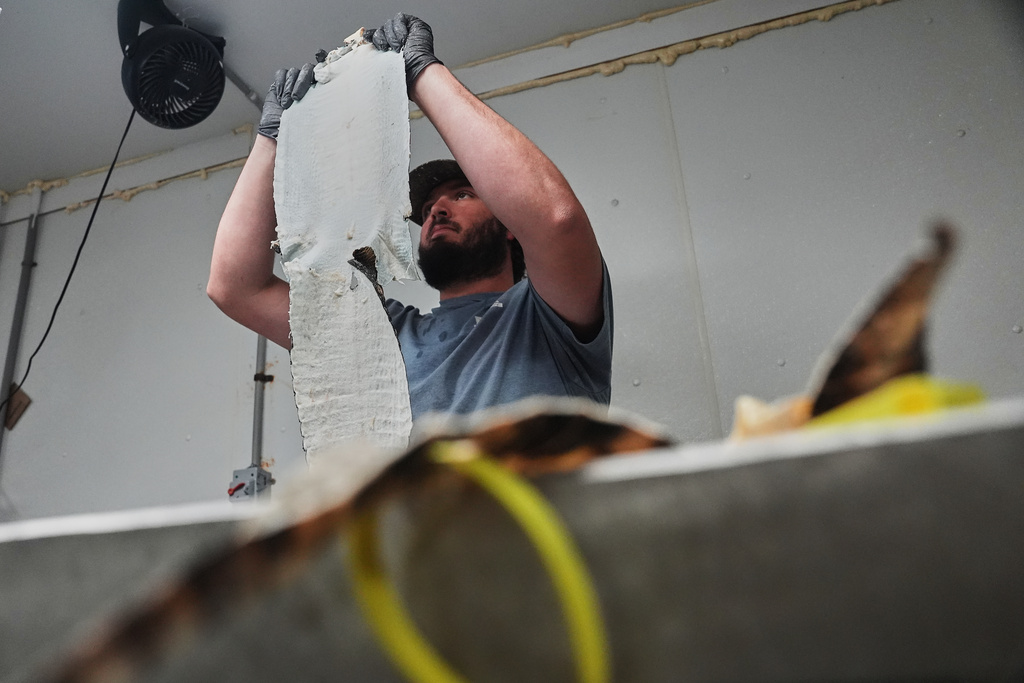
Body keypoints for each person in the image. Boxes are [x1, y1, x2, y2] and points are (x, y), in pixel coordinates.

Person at [208, 13, 612, 420]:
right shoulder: (386, 337)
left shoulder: (547, 316)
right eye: (427, 208)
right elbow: (237, 289)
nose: (436, 209)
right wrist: (275, 136)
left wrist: (420, 72)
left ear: (511, 228)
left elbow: (557, 220)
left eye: (462, 194)